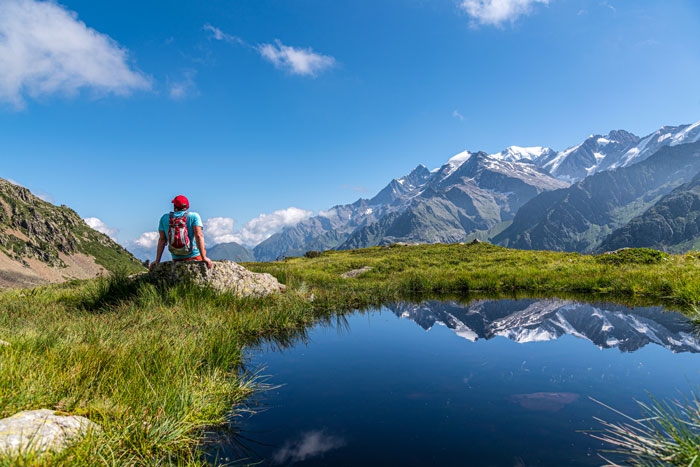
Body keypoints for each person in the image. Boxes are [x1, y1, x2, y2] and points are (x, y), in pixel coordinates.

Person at [149, 195, 213, 270]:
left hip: (176, 257)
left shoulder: (164, 218)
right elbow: (199, 236)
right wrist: (204, 257)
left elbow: (162, 240)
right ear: (187, 207)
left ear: (174, 206)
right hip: (194, 256)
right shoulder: (194, 216)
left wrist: (157, 260)